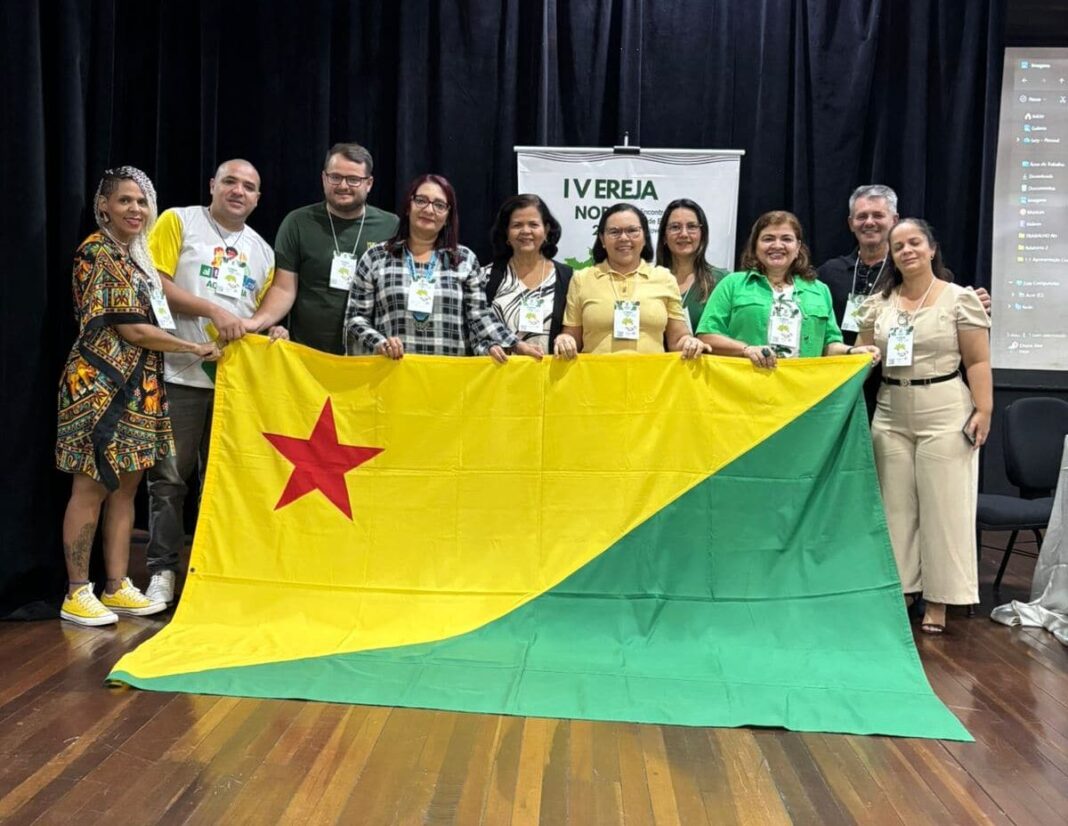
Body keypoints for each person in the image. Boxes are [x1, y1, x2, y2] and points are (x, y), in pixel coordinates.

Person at [55, 167, 221, 627]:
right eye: (125, 201)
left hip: (142, 387)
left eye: (142, 202)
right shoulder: (97, 251)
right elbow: (130, 328)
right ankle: (75, 591)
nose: (135, 210)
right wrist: (193, 347)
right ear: (103, 206)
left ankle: (116, 585)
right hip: (100, 386)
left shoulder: (139, 258)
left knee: (127, 488)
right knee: (90, 486)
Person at [143, 159, 284, 606]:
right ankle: (163, 569)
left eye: (249, 186)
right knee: (169, 479)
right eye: (230, 182)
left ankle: (210, 573)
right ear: (212, 185)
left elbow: (253, 316)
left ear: (258, 198)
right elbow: (154, 284)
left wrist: (273, 331)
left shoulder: (263, 250)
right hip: (178, 372)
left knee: (223, 482)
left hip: (233, 383)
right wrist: (212, 311)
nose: (238, 191)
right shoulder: (178, 221)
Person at [856, 218, 992, 635]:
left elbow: (978, 361)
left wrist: (984, 410)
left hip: (945, 408)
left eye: (915, 242)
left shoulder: (959, 299)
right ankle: (902, 592)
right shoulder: (879, 304)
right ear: (892, 256)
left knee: (945, 507)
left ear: (931, 248)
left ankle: (940, 599)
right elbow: (861, 351)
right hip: (891, 410)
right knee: (896, 509)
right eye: (898, 246)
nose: (907, 250)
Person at [344, 174, 541, 361]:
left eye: (439, 205)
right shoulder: (376, 257)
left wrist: (515, 344)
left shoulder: (463, 260)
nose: (429, 210)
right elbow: (355, 319)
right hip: (393, 376)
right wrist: (381, 343)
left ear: (448, 215)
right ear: (408, 206)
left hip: (448, 380)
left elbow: (478, 317)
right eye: (421, 200)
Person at [247, 143, 400, 353]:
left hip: (371, 355)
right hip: (308, 355)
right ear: (323, 178)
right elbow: (283, 288)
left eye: (353, 179)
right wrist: (255, 324)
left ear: (369, 183)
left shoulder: (391, 226)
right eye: (335, 177)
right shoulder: (297, 222)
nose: (343, 185)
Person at [696, 210, 881, 368]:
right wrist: (746, 349)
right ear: (755, 245)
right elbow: (707, 336)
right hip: (745, 389)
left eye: (786, 239)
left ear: (798, 246)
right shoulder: (732, 284)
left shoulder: (819, 290)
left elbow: (830, 345)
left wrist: (852, 350)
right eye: (768, 239)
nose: (777, 245)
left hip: (800, 393)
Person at [553, 203, 709, 360]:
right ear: (602, 239)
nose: (624, 238)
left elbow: (677, 339)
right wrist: (564, 339)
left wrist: (689, 342)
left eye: (632, 231)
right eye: (614, 232)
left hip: (652, 380)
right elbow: (572, 335)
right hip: (596, 379)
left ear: (644, 237)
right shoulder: (582, 279)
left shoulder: (664, 278)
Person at [482, 194, 573, 354]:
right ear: (506, 233)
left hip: (549, 376)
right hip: (500, 375)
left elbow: (574, 329)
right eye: (517, 225)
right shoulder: (485, 277)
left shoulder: (567, 277)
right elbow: (477, 330)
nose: (525, 231)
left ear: (546, 230)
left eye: (533, 224)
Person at [655, 198, 728, 331]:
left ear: (702, 234)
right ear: (664, 236)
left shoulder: (722, 281)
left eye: (692, 227)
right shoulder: (649, 280)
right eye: (675, 227)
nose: (683, 234)